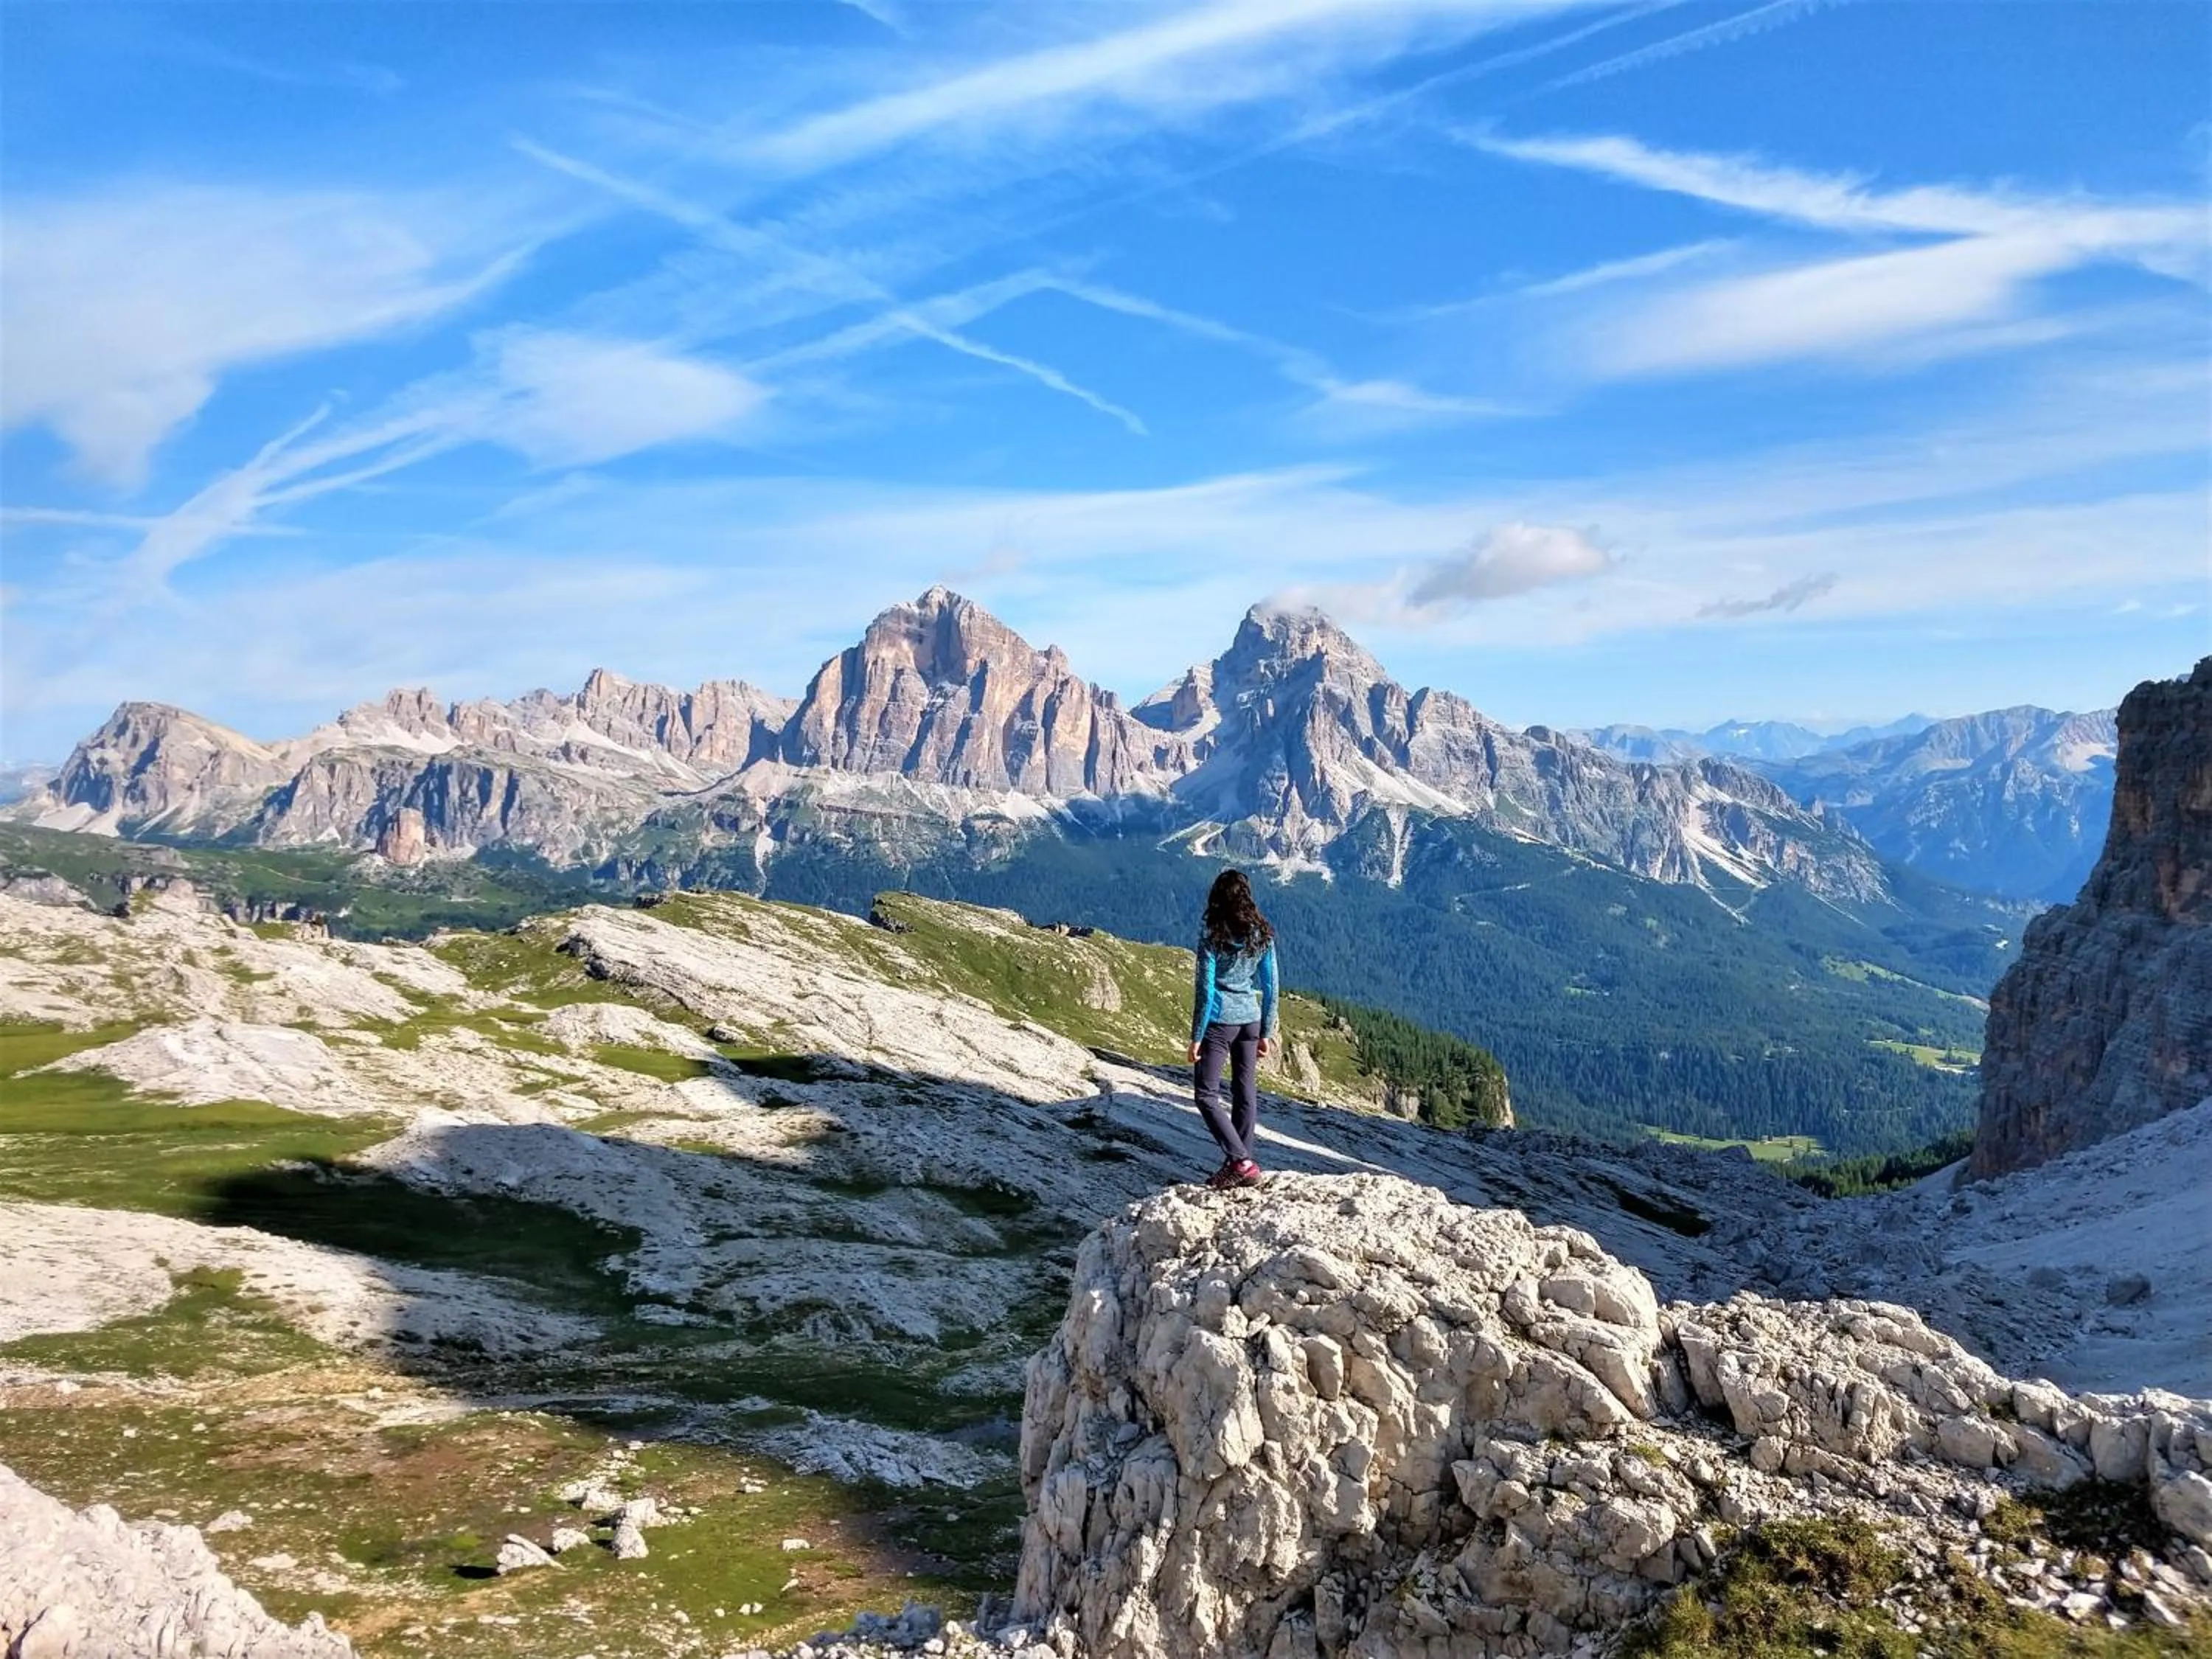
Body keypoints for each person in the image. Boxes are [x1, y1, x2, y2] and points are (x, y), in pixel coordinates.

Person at [1189, 868, 1279, 1189]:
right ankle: (1240, 1163)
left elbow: (1205, 989)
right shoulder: (1262, 935)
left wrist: (1196, 1036)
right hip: (1250, 1019)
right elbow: (1271, 986)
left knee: (1206, 1094)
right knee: (1245, 1092)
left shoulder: (1213, 936)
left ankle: (1241, 1162)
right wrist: (1266, 1031)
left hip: (1219, 1022)